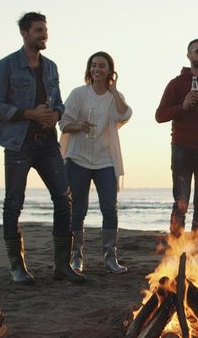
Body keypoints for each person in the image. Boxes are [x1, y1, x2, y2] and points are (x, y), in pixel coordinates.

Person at [0, 12, 84, 284]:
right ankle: (17, 268)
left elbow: (60, 103)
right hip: (19, 143)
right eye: (38, 31)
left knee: (64, 200)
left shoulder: (50, 67)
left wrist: (56, 114)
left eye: (45, 30)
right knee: (14, 202)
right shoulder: (6, 66)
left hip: (48, 142)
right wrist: (29, 113)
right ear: (25, 33)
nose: (44, 35)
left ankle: (61, 267)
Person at [59, 51, 132, 275]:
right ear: (89, 69)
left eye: (102, 65)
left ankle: (110, 258)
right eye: (93, 65)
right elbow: (63, 123)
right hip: (78, 158)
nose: (96, 69)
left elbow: (126, 113)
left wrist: (114, 89)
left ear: (110, 70)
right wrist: (79, 125)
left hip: (105, 160)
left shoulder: (113, 96)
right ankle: (76, 257)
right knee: (78, 209)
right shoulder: (79, 94)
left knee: (109, 208)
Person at [156, 39, 198, 237]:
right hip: (182, 150)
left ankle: (196, 253)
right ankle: (176, 252)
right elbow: (160, 115)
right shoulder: (176, 84)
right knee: (180, 205)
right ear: (189, 55)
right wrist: (182, 107)